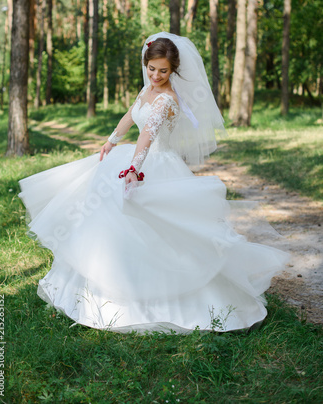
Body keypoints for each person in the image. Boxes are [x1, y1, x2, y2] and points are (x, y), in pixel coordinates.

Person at [19, 32, 289, 334]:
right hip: (130, 157)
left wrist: (134, 168)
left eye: (164, 71)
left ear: (173, 70)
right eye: (152, 69)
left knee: (158, 228)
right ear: (146, 64)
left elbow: (147, 133)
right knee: (107, 224)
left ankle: (165, 299)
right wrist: (111, 141)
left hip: (155, 164)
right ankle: (95, 290)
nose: (157, 75)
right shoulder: (147, 90)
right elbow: (130, 115)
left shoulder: (166, 100)